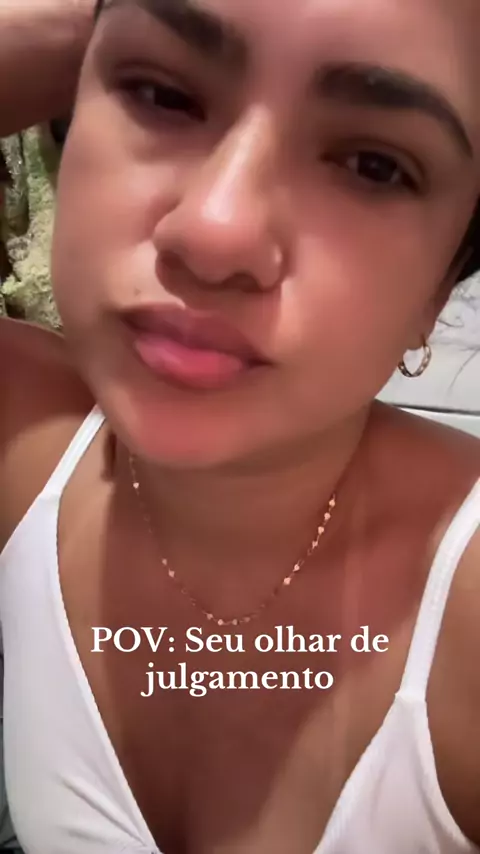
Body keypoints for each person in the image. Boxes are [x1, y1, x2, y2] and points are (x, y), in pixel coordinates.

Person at [1, 0, 480, 851]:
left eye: (373, 166)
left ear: (441, 288)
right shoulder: (20, 436)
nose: (214, 233)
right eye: (160, 94)